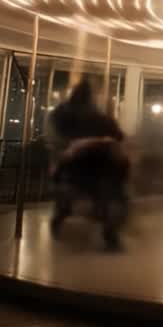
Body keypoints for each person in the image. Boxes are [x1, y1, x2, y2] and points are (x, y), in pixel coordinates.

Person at [46, 80, 130, 250]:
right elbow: (117, 136)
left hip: (78, 167)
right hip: (95, 167)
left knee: (72, 196)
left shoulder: (63, 114)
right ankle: (110, 234)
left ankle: (61, 218)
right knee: (109, 196)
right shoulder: (99, 118)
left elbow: (57, 138)